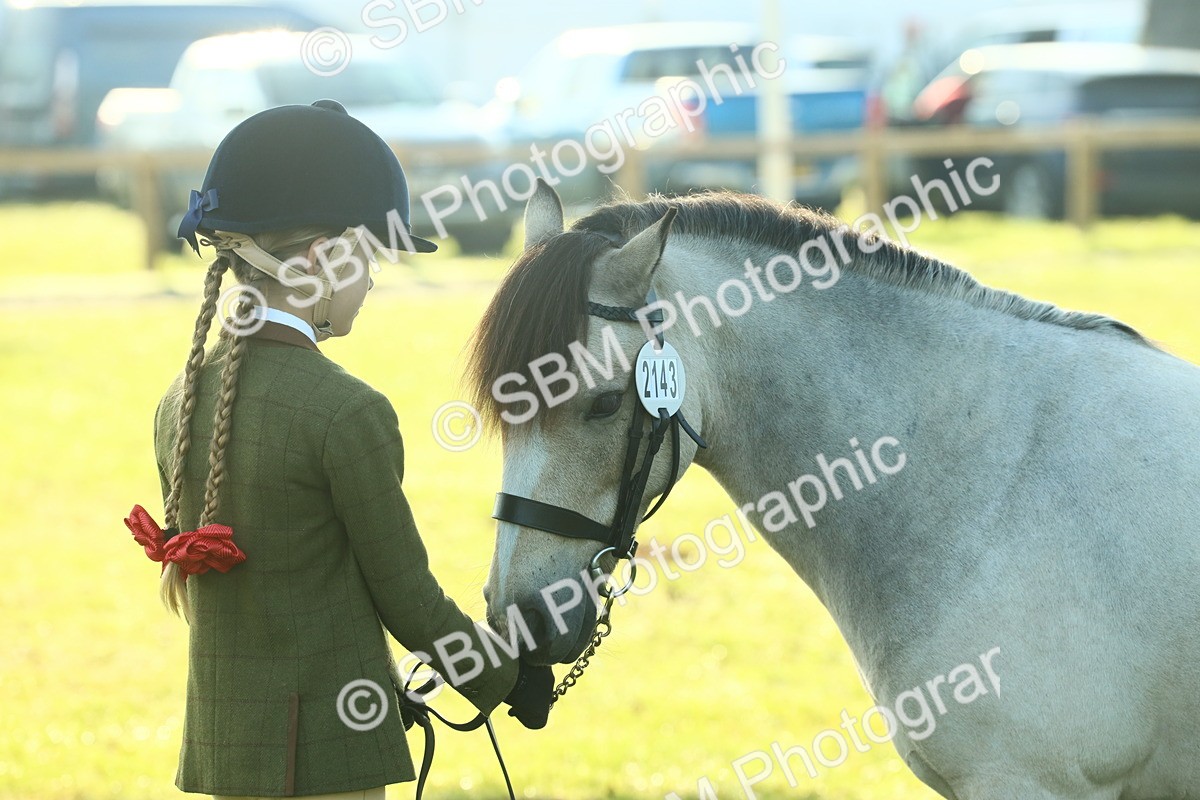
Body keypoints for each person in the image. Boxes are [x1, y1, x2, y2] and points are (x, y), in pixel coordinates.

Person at [122, 99, 552, 800]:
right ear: (324, 259)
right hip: (331, 759)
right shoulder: (348, 413)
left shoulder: (179, 401)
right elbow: (409, 601)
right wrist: (508, 678)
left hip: (224, 751)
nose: (374, 281)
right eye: (371, 260)